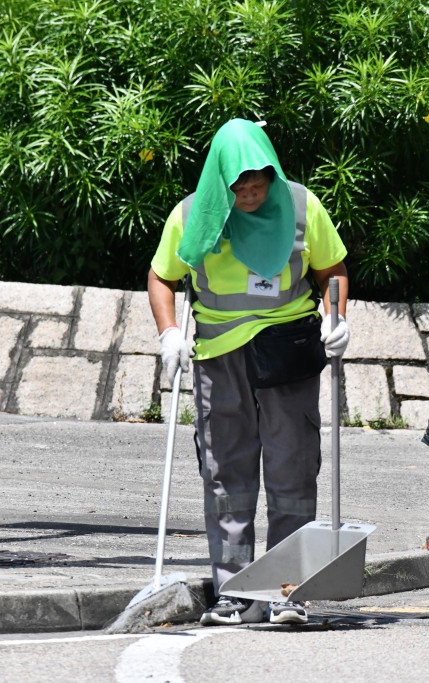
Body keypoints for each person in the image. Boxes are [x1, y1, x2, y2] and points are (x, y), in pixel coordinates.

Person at [147, 119, 350, 626]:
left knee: (292, 469)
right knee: (225, 474)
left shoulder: (301, 205)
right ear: (221, 179)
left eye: (259, 178)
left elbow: (333, 271)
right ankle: (236, 590)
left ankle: (288, 591)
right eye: (238, 183)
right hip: (219, 354)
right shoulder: (193, 213)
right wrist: (169, 330)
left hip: (286, 350)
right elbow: (162, 276)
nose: (251, 190)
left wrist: (336, 317)